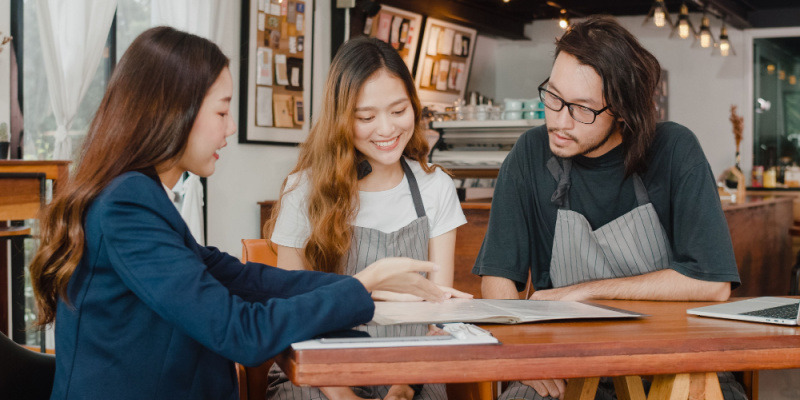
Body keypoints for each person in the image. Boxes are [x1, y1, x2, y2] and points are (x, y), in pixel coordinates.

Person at [29, 27, 447, 400]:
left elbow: (247, 277)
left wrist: (365, 288)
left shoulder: (139, 195)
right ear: (175, 113)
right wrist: (362, 286)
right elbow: (240, 332)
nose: (230, 128)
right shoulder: (127, 205)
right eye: (223, 111)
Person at [471, 16, 746, 400]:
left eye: (582, 109)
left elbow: (712, 284)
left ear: (621, 109)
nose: (559, 121)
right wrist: (523, 359)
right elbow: (500, 282)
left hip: (677, 363)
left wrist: (584, 293)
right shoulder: (529, 156)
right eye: (553, 96)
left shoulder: (673, 150)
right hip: (568, 366)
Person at [264, 36, 469, 400]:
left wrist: (405, 388)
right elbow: (292, 315)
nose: (387, 129)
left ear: (414, 105)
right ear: (342, 118)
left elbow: (440, 315)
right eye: (366, 117)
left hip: (413, 369)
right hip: (320, 373)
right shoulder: (304, 191)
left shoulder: (436, 187)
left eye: (398, 110)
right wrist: (345, 396)